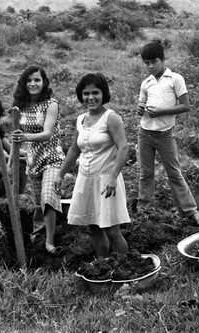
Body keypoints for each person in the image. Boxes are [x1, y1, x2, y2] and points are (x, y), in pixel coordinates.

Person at [54, 73, 130, 258]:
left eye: (95, 92)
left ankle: (125, 267)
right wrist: (60, 174)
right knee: (94, 227)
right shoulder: (81, 119)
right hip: (86, 179)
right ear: (81, 96)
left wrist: (113, 177)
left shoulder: (111, 118)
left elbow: (124, 147)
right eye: (86, 93)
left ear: (104, 93)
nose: (91, 97)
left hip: (106, 181)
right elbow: (74, 149)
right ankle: (103, 265)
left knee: (112, 230)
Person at [136, 40, 199, 225]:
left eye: (154, 62)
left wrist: (161, 112)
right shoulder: (146, 83)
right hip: (145, 133)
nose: (151, 66)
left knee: (174, 172)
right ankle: (144, 209)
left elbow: (185, 105)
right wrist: (140, 110)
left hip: (165, 134)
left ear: (163, 59)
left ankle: (190, 210)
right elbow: (142, 105)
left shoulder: (175, 79)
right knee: (146, 172)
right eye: (147, 63)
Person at [11, 65, 65, 256]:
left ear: (44, 82)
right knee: (37, 206)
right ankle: (37, 238)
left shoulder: (51, 104)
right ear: (24, 84)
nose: (33, 84)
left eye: (37, 80)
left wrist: (24, 137)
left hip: (52, 158)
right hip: (33, 161)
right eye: (29, 80)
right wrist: (12, 161)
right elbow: (15, 136)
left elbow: (47, 134)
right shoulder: (21, 107)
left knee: (48, 197)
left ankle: (50, 242)